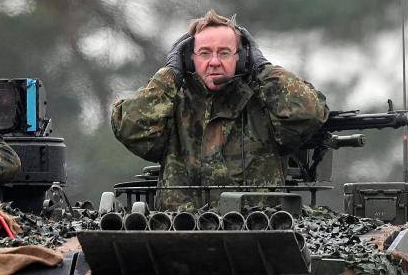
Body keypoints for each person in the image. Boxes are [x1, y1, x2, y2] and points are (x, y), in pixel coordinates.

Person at [111, 11, 328, 209]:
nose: (214, 62)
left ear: (242, 58)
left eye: (224, 53)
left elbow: (309, 112)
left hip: (258, 231)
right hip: (179, 231)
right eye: (204, 53)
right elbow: (131, 128)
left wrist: (263, 67)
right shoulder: (172, 105)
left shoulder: (264, 104)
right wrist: (170, 74)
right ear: (189, 60)